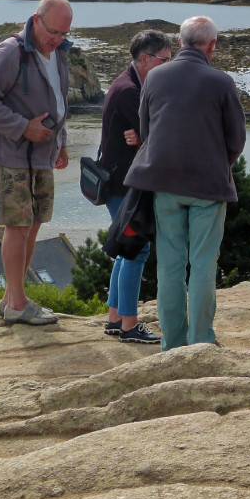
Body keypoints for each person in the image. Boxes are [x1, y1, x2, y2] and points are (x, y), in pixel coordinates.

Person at [123, 16, 246, 350]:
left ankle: (173, 344)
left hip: (165, 182)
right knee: (204, 265)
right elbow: (236, 139)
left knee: (171, 266)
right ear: (212, 45)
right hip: (208, 187)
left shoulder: (156, 77)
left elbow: (147, 130)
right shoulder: (221, 81)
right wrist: (219, 163)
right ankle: (201, 339)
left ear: (179, 43)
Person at [0, 0, 73, 326]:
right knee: (18, 226)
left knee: (35, 224)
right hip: (12, 155)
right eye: (53, 32)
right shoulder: (10, 51)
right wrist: (23, 127)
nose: (57, 40)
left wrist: (61, 142)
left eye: (64, 34)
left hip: (44, 154)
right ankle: (17, 303)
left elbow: (59, 101)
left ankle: (12, 296)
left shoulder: (58, 52)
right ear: (36, 20)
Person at [99, 29, 172, 344]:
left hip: (119, 180)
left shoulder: (130, 82)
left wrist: (142, 137)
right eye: (164, 60)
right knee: (136, 250)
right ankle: (129, 325)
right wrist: (146, 137)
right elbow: (161, 133)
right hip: (124, 183)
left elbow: (150, 132)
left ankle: (115, 318)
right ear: (145, 59)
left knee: (125, 250)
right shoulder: (130, 91)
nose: (169, 65)